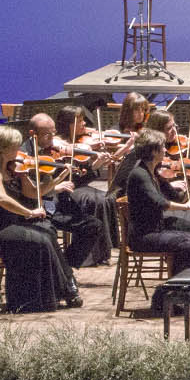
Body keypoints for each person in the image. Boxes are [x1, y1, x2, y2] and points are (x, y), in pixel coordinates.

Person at [0, 125, 81, 312]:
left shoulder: (13, 169)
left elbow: (33, 192)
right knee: (39, 239)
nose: (19, 150)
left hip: (12, 224)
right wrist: (29, 213)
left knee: (47, 232)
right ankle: (35, 299)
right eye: (15, 146)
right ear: (4, 149)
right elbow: (2, 199)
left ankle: (64, 288)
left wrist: (58, 178)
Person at [119, 130, 190, 284]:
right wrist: (186, 207)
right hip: (144, 236)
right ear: (153, 151)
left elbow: (177, 197)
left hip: (158, 229)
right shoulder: (139, 174)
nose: (165, 150)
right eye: (162, 147)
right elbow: (161, 203)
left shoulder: (153, 172)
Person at [22, 111, 107, 269]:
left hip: (58, 205)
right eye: (47, 134)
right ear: (33, 134)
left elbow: (76, 180)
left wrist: (92, 168)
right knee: (48, 232)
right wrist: (55, 188)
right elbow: (27, 190)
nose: (52, 139)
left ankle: (65, 267)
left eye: (53, 133)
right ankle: (62, 274)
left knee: (93, 225)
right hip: (38, 208)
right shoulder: (25, 155)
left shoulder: (54, 152)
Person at [56, 104, 120, 266]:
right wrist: (89, 153)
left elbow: (82, 175)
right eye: (80, 120)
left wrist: (95, 165)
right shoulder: (57, 143)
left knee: (106, 198)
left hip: (78, 185)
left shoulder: (82, 141)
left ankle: (103, 251)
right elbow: (69, 177)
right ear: (68, 124)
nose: (85, 124)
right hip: (63, 189)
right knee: (92, 200)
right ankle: (89, 255)